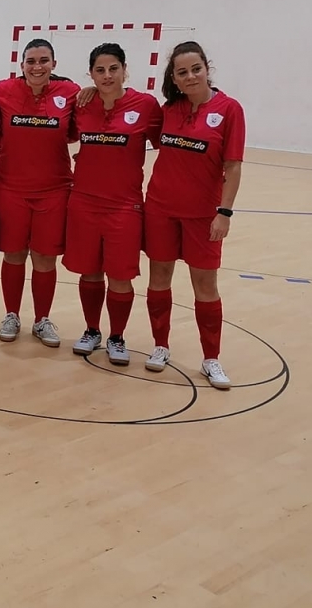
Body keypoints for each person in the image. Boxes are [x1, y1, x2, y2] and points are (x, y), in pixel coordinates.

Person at [143, 41, 244, 388]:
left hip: (203, 215)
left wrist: (224, 212)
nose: (190, 77)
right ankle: (160, 347)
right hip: (159, 208)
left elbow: (232, 165)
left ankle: (211, 359)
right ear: (174, 77)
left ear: (207, 68)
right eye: (182, 72)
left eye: (196, 69)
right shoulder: (169, 109)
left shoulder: (229, 110)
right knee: (159, 278)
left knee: (205, 285)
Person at [63, 44, 163, 365]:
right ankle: (92, 330)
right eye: (100, 70)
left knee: (120, 276)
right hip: (84, 203)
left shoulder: (145, 105)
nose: (107, 76)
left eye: (113, 69)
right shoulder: (81, 104)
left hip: (124, 206)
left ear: (124, 69)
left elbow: (170, 143)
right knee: (90, 272)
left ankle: (117, 336)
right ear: (91, 74)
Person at [0, 39, 80, 348]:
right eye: (31, 61)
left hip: (54, 190)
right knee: (14, 255)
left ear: (54, 64)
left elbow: (80, 129)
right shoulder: (3, 91)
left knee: (44, 258)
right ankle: (11, 315)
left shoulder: (70, 93)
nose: (37, 66)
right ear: (22, 64)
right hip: (10, 188)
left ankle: (42, 319)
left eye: (43, 60)